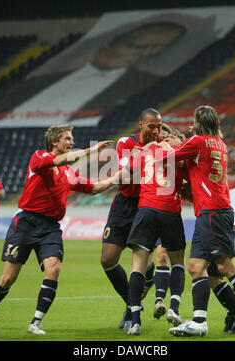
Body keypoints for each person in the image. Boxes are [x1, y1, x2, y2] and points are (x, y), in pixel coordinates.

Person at [0, 124, 118, 335]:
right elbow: (62, 159)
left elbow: (94, 188)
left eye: (72, 139)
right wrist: (93, 150)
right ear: (55, 142)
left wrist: (119, 177)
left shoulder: (70, 173)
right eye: (68, 139)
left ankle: (36, 322)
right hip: (25, 223)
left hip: (50, 227)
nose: (72, 142)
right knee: (8, 279)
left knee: (54, 268)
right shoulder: (39, 157)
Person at [168, 105, 235, 338]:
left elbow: (169, 157)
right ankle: (200, 321)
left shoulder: (198, 142)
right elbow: (197, 166)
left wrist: (163, 146)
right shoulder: (220, 145)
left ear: (197, 122)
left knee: (226, 266)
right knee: (197, 268)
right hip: (212, 211)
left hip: (214, 211)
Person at [100, 108, 163, 331]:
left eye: (159, 126)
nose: (156, 131)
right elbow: (129, 172)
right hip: (124, 205)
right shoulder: (126, 142)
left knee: (142, 261)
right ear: (141, 124)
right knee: (107, 260)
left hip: (147, 204)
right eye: (152, 126)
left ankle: (131, 310)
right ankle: (131, 301)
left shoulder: (162, 143)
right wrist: (149, 152)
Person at [124, 132, 187, 335]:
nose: (169, 138)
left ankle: (134, 321)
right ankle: (174, 309)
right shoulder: (178, 152)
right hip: (169, 210)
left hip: (145, 211)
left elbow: (127, 174)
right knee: (177, 262)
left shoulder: (145, 152)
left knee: (138, 267)